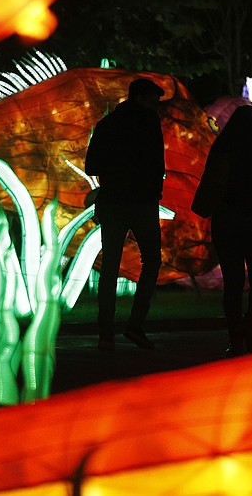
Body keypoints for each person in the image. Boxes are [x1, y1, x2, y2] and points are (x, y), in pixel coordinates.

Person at [193, 105, 252, 356]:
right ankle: (251, 322)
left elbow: (211, 179)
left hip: (227, 219)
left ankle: (235, 335)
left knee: (232, 281)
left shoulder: (224, 146)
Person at [84, 78, 166, 351]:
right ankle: (135, 325)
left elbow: (91, 166)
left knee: (110, 269)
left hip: (112, 202)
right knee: (152, 260)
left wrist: (115, 171)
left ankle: (106, 334)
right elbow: (156, 165)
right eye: (153, 100)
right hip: (142, 202)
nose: (156, 106)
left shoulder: (107, 125)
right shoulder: (149, 123)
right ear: (141, 98)